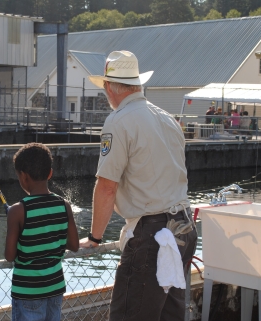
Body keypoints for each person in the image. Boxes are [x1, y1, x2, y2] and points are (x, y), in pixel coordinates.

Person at [80, 51, 197, 321]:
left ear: (109, 87)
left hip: (151, 237)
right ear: (137, 84)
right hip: (183, 229)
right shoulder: (168, 119)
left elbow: (107, 187)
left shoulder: (118, 121)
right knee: (170, 314)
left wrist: (95, 237)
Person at [5, 143, 79, 321]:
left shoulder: (17, 211)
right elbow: (74, 245)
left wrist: (13, 224)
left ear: (23, 176)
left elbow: (9, 255)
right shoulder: (64, 205)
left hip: (28, 291)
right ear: (50, 173)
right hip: (54, 287)